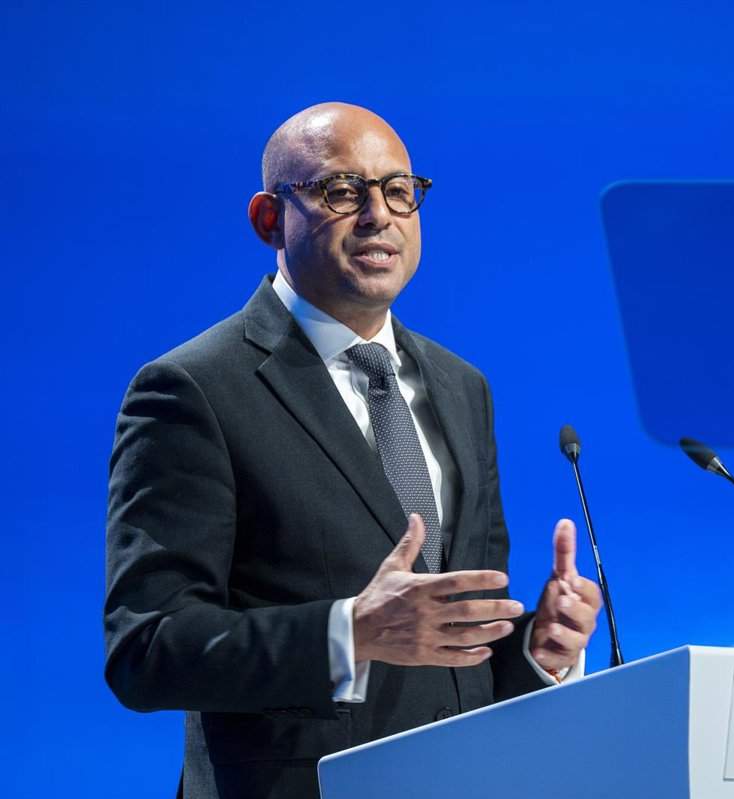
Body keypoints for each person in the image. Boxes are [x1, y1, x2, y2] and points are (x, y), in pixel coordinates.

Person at [104, 102, 603, 799]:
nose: (379, 214)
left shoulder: (463, 387)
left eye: (400, 190)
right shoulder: (193, 389)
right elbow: (148, 649)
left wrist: (540, 652)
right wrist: (348, 632)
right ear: (269, 218)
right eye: (342, 191)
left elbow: (457, 654)